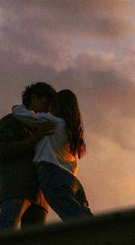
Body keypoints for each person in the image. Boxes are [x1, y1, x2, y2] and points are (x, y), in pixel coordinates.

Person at [12, 89, 93, 221]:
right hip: (72, 180)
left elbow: (23, 116)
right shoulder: (73, 130)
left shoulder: (53, 121)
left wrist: (17, 107)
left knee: (74, 219)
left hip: (53, 175)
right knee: (84, 215)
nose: (49, 108)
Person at [0, 82, 57, 232]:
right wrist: (36, 137)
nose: (48, 110)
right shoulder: (10, 121)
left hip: (40, 195)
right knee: (5, 235)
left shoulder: (45, 125)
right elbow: (4, 151)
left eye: (51, 107)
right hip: (17, 188)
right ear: (33, 98)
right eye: (45, 103)